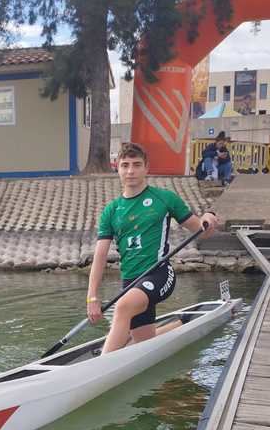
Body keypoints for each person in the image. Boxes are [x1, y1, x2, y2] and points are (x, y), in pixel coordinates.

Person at [86, 142, 218, 354]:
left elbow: (202, 230)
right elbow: (100, 256)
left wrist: (208, 217)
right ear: (117, 169)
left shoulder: (164, 199)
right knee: (144, 343)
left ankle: (99, 367)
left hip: (159, 274)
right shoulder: (111, 211)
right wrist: (92, 297)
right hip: (130, 281)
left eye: (136, 165)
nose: (130, 171)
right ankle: (180, 324)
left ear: (146, 168)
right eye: (125, 165)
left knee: (122, 308)